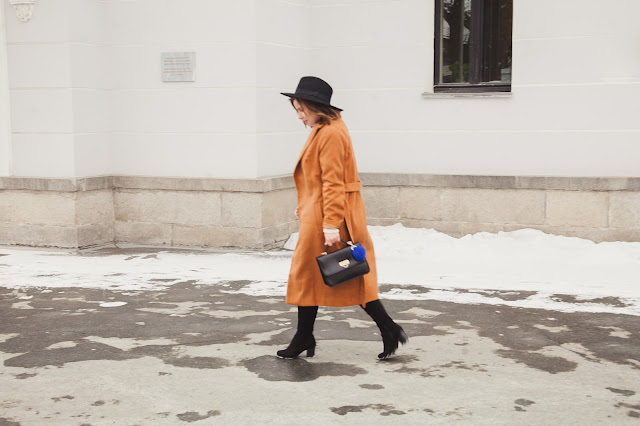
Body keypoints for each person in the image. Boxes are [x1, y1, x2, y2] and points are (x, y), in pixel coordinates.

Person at [277, 76, 408, 360]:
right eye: (296, 110)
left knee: (341, 274)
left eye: (301, 110)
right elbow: (318, 179)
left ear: (315, 107)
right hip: (320, 211)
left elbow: (333, 183)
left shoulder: (332, 133)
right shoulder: (324, 129)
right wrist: (306, 204)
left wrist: (330, 224)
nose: (299, 116)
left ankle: (387, 328)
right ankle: (307, 335)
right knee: (316, 275)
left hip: (331, 216)